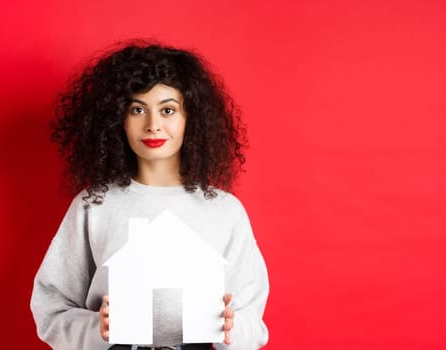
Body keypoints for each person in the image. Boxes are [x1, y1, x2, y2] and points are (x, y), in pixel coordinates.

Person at [31, 40, 269, 350]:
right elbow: (52, 306)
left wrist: (231, 329)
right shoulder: (95, 205)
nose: (153, 125)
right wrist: (97, 328)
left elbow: (252, 317)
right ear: (118, 119)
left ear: (190, 118)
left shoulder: (224, 211)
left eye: (168, 110)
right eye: (137, 109)